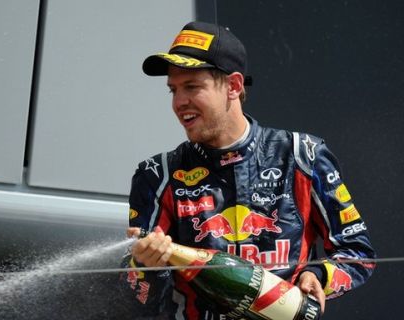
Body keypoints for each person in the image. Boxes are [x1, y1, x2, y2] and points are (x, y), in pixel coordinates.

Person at [120, 21, 375, 319]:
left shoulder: (303, 156)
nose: (179, 102)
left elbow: (358, 254)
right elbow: (140, 302)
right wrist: (143, 268)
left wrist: (319, 276)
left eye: (192, 87)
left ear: (234, 86)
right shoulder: (157, 175)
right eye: (173, 90)